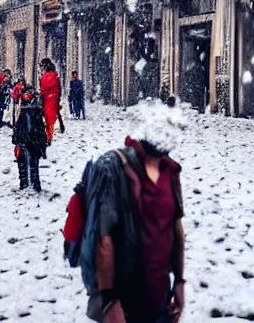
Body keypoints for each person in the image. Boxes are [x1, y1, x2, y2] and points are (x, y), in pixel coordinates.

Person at [64, 100, 187, 323]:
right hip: (123, 301)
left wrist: (179, 281)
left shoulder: (170, 171)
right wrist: (110, 300)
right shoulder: (113, 169)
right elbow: (105, 240)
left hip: (159, 298)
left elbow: (176, 228)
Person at [12, 86, 49, 192]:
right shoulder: (36, 109)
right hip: (32, 139)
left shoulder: (25, 109)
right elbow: (40, 126)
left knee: (26, 162)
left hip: (28, 139)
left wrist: (17, 137)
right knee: (31, 162)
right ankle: (33, 183)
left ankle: (27, 183)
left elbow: (19, 125)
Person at [39, 59, 61, 143]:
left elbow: (43, 88)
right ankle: (49, 134)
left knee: (47, 117)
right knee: (50, 118)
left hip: (47, 98)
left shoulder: (45, 76)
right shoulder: (55, 75)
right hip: (54, 98)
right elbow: (58, 88)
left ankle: (48, 135)